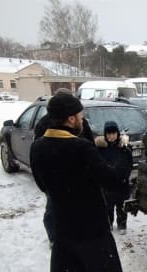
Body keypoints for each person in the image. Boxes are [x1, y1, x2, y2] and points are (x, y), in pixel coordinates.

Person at [30, 93, 142, 272]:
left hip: (64, 237)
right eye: (80, 116)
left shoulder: (37, 148)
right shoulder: (81, 148)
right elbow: (113, 181)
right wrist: (125, 155)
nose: (82, 120)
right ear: (71, 119)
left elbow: (44, 187)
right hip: (93, 237)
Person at [34, 88, 94, 244]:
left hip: (77, 176)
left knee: (75, 210)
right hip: (56, 176)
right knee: (54, 208)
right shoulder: (44, 124)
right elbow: (40, 152)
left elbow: (89, 142)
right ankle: (55, 238)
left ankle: (75, 234)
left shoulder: (82, 124)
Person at [95, 121, 133, 234]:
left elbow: (129, 164)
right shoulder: (100, 149)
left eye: (113, 134)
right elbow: (97, 165)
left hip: (121, 182)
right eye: (109, 134)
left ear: (117, 134)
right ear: (105, 135)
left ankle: (122, 224)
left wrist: (125, 177)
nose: (111, 137)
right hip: (107, 184)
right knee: (108, 206)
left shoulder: (124, 148)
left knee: (121, 205)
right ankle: (109, 223)